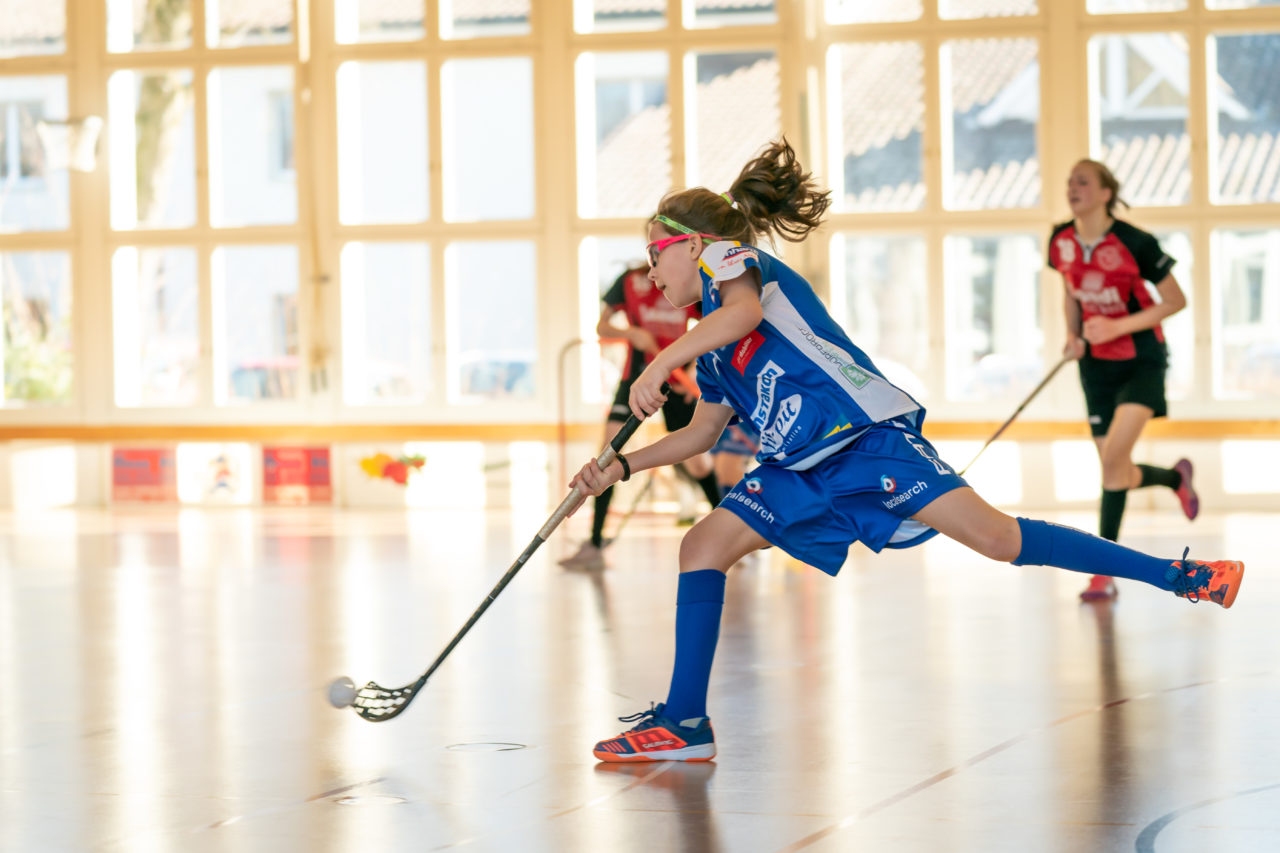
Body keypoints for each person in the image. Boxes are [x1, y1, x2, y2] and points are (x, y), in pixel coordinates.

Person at [566, 139, 1245, 763]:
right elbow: (701, 435)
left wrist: (659, 366)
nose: (650, 273)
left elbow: (742, 312)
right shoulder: (708, 341)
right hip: (795, 466)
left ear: (693, 244)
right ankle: (685, 722)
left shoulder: (732, 264)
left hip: (863, 439)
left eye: (656, 254)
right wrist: (619, 467)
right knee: (702, 545)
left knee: (1000, 539)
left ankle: (1182, 576)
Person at [1049, 160, 1201, 602]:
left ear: (1104, 193)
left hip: (1142, 360)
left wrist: (1117, 327)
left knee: (1113, 458)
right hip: (1094, 366)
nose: (1073, 188)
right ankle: (1175, 479)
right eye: (1069, 181)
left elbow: (1175, 300)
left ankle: (1103, 571)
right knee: (1117, 469)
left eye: (1083, 181)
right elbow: (1070, 291)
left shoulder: (1135, 241)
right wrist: (1073, 335)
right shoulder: (1061, 240)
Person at [559, 265, 722, 570]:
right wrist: (631, 333)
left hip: (676, 383)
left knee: (698, 461)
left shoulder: (688, 277)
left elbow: (715, 326)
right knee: (607, 454)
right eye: (653, 248)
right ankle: (594, 544)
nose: (657, 257)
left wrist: (693, 370)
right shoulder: (631, 280)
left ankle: (729, 532)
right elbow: (602, 327)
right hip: (635, 379)